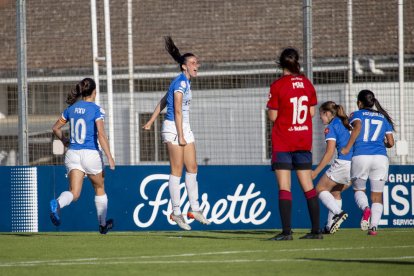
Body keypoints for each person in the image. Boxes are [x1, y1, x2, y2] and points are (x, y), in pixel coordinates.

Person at [142, 36, 210, 230]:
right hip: (174, 128)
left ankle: (195, 209)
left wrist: (150, 120)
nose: (197, 65)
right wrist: (180, 134)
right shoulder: (180, 83)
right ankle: (176, 211)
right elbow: (177, 109)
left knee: (193, 167)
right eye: (193, 63)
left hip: (184, 127)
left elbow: (164, 100)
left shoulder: (184, 82)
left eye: (197, 62)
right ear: (184, 67)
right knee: (177, 170)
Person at [267, 47, 321, 240]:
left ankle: (287, 232)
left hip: (284, 141)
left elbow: (273, 116)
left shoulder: (277, 86)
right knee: (308, 186)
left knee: (284, 186)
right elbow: (312, 112)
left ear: (281, 64)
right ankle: (316, 231)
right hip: (303, 140)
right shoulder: (307, 83)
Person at [50, 78, 115, 234]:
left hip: (72, 153)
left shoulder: (71, 109)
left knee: (74, 192)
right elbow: (101, 135)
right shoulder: (96, 110)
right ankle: (102, 225)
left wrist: (65, 140)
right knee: (99, 187)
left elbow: (55, 128)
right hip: (90, 153)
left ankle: (58, 203)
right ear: (94, 92)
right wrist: (110, 157)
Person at [341, 90, 394, 236]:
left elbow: (357, 127)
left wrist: (347, 147)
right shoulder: (383, 118)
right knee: (377, 196)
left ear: (359, 103)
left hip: (361, 156)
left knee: (359, 190)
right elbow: (390, 142)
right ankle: (374, 227)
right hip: (380, 158)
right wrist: (382, 144)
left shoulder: (356, 114)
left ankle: (366, 209)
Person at [312, 101, 351, 234]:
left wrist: (315, 172)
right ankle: (329, 226)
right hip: (356, 164)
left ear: (327, 113)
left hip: (344, 163)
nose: (320, 118)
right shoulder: (346, 123)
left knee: (320, 189)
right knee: (335, 192)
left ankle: (338, 213)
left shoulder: (331, 126)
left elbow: (329, 153)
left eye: (321, 115)